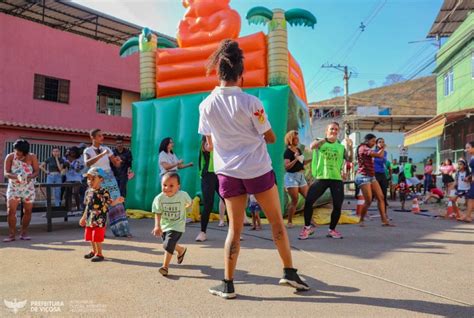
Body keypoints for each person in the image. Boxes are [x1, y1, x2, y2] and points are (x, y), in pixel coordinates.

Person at [199, 39, 309, 299]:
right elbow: (270, 137)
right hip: (258, 170)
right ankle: (289, 271)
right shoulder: (252, 103)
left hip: (228, 173)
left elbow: (209, 144)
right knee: (276, 223)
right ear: (241, 75)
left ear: (219, 72)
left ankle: (227, 284)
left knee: (234, 230)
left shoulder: (205, 105)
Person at [299, 122, 353, 240]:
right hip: (321, 178)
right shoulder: (320, 141)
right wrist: (326, 139)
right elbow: (312, 146)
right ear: (326, 131)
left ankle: (332, 230)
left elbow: (349, 159)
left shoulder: (340, 146)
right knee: (308, 202)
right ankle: (307, 228)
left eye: (336, 129)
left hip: (336, 179)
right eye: (332, 129)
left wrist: (350, 147)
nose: (334, 131)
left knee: (338, 205)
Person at [84, 129, 131, 237]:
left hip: (109, 176)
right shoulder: (88, 150)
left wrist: (118, 162)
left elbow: (116, 164)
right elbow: (87, 163)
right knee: (99, 204)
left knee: (117, 202)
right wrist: (101, 155)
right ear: (93, 137)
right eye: (100, 136)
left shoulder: (106, 149)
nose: (102, 137)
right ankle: (98, 230)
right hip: (96, 178)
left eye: (102, 135)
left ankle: (122, 231)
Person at [79, 167, 124, 262]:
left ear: (101, 179)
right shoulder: (88, 191)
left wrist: (117, 201)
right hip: (89, 218)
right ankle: (93, 251)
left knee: (97, 237)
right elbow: (87, 205)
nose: (90, 181)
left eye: (93, 179)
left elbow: (109, 203)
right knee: (90, 236)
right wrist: (83, 218)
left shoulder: (104, 192)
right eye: (88, 179)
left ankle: (99, 253)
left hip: (100, 218)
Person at [151, 172, 192, 276]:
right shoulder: (159, 198)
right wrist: (157, 226)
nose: (167, 188)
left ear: (178, 187)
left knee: (168, 244)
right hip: (165, 226)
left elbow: (189, 203)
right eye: (164, 185)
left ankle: (165, 267)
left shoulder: (182, 195)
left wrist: (186, 208)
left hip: (178, 226)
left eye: (171, 186)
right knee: (169, 244)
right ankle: (181, 250)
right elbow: (158, 212)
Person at [3, 139, 39, 242]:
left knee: (27, 211)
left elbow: (36, 171)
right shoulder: (10, 157)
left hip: (28, 188)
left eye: (19, 153)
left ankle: (24, 232)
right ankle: (11, 234)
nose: (17, 155)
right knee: (11, 211)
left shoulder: (32, 157)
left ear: (25, 152)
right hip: (14, 188)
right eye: (16, 152)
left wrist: (30, 176)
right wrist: (16, 177)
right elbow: (6, 173)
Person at [355, 133, 392, 226]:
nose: (374, 143)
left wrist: (381, 149)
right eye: (373, 141)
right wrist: (382, 148)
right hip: (363, 177)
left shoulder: (368, 148)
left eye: (375, 141)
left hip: (371, 176)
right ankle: (361, 219)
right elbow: (379, 155)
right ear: (367, 141)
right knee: (368, 200)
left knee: (381, 197)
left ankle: (384, 221)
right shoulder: (363, 148)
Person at [196, 136, 227, 242]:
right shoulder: (206, 139)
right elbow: (208, 147)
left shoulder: (221, 135)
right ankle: (202, 232)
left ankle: (234, 232)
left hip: (221, 174)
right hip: (208, 176)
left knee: (228, 202)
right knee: (208, 204)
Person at [283, 130, 310, 228]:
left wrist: (312, 159)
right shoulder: (287, 152)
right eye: (296, 138)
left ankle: (311, 220)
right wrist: (295, 159)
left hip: (301, 176)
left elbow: (302, 162)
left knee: (309, 199)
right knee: (295, 200)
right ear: (291, 139)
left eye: (298, 138)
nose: (298, 139)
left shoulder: (298, 150)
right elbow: (286, 167)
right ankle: (289, 221)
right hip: (291, 177)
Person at [374, 138, 390, 207]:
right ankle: (376, 200)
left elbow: (383, 161)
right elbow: (377, 159)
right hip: (375, 173)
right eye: (380, 142)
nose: (381, 143)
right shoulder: (373, 151)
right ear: (377, 144)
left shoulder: (385, 152)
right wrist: (380, 156)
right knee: (376, 190)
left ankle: (384, 201)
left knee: (384, 188)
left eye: (383, 142)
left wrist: (382, 150)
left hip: (382, 172)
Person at [460, 141, 474, 222]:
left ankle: (468, 216)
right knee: (471, 198)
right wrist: (468, 177)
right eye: (466, 148)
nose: (466, 149)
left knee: (470, 198)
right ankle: (468, 215)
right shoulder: (472, 157)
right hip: (472, 180)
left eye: (468, 147)